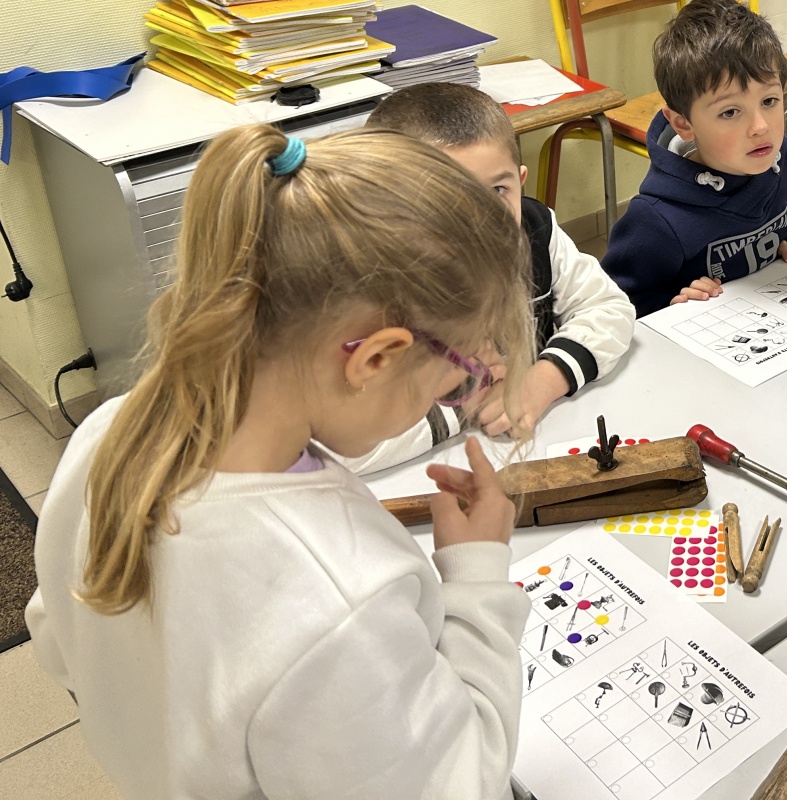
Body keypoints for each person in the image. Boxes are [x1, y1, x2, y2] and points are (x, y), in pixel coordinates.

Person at [26, 125, 537, 798]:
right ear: (375, 358)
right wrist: (475, 578)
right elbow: (459, 784)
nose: (457, 393)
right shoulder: (341, 596)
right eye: (455, 379)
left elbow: (56, 636)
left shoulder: (107, 433)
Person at [341, 82, 634, 469]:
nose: (483, 221)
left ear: (520, 180)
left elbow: (609, 308)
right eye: (448, 199)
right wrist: (468, 402)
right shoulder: (369, 289)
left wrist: (542, 382)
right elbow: (342, 445)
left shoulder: (535, 232)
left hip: (537, 447)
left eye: (497, 190)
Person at [602, 0, 787, 315]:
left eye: (769, 101)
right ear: (683, 124)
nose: (760, 127)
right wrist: (674, 301)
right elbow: (614, 305)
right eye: (730, 112)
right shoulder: (654, 221)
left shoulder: (784, 157)